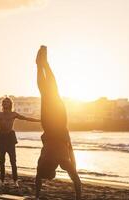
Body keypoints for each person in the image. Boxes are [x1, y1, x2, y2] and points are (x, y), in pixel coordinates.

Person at [35, 46, 82, 200]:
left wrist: (78, 197)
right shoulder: (43, 161)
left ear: (53, 168)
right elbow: (38, 178)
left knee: (53, 92)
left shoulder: (61, 161)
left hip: (59, 124)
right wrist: (36, 195)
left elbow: (76, 181)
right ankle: (40, 65)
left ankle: (44, 64)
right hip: (48, 125)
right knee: (46, 93)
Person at [0, 97, 40, 187]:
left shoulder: (14, 114)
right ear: (2, 104)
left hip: (10, 138)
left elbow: (26, 118)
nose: (5, 103)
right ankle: (2, 181)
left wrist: (39, 120)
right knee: (2, 161)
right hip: (1, 138)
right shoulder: (0, 114)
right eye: (4, 102)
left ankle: (15, 181)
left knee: (13, 161)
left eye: (7, 102)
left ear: (10, 104)